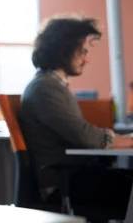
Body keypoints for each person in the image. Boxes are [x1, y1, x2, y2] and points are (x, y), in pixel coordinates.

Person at [19, 16, 133, 214]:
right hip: (62, 186)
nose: (86, 59)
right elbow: (86, 137)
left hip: (72, 178)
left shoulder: (52, 86)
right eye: (83, 52)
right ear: (63, 49)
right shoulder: (45, 88)